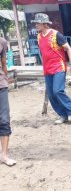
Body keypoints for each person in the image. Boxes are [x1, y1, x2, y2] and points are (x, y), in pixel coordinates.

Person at [32, 13, 71, 125]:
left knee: (58, 90)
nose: (36, 25)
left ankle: (70, 111)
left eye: (38, 23)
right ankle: (62, 115)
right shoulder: (39, 36)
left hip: (58, 67)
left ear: (44, 23)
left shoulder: (56, 35)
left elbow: (68, 49)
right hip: (47, 69)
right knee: (51, 94)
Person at [0, 37, 16, 166]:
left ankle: (4, 155)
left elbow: (4, 63)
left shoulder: (2, 42)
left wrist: (5, 79)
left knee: (4, 120)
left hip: (1, 85)